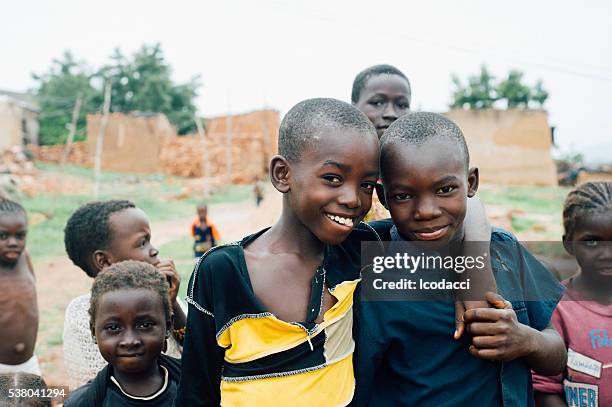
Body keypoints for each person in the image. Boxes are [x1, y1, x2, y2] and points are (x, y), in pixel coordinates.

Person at [174, 98, 382, 406]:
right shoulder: (223, 271)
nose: (353, 199)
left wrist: (477, 291)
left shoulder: (361, 249)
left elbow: (443, 249)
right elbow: (196, 390)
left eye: (366, 185)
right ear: (282, 174)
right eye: (332, 178)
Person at [353, 112, 567, 406]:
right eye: (404, 196)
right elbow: (360, 387)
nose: (426, 210)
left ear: (471, 183)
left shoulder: (504, 253)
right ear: (383, 196)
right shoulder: (377, 279)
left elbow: (556, 354)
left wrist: (525, 340)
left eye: (445, 190)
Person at [62, 200, 185, 389]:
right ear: (103, 261)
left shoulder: (163, 297)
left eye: (150, 240)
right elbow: (94, 385)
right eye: (142, 243)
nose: (154, 250)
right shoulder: (80, 314)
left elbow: (200, 356)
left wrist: (172, 304)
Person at [533, 182, 612, 407]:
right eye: (592, 241)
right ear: (568, 243)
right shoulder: (557, 309)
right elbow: (544, 388)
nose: (607, 254)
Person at [63, 261, 181, 406]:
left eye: (145, 325)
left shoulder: (196, 384)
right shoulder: (83, 402)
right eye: (113, 328)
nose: (130, 340)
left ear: (168, 326)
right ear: (94, 332)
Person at [352, 64, 412, 222]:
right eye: (378, 103)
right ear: (354, 107)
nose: (391, 114)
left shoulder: (419, 168)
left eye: (402, 105)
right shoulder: (336, 165)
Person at [0, 199, 40, 376]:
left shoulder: (24, 258)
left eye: (20, 235)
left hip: (29, 364)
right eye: (3, 236)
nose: (13, 242)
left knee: (38, 403)